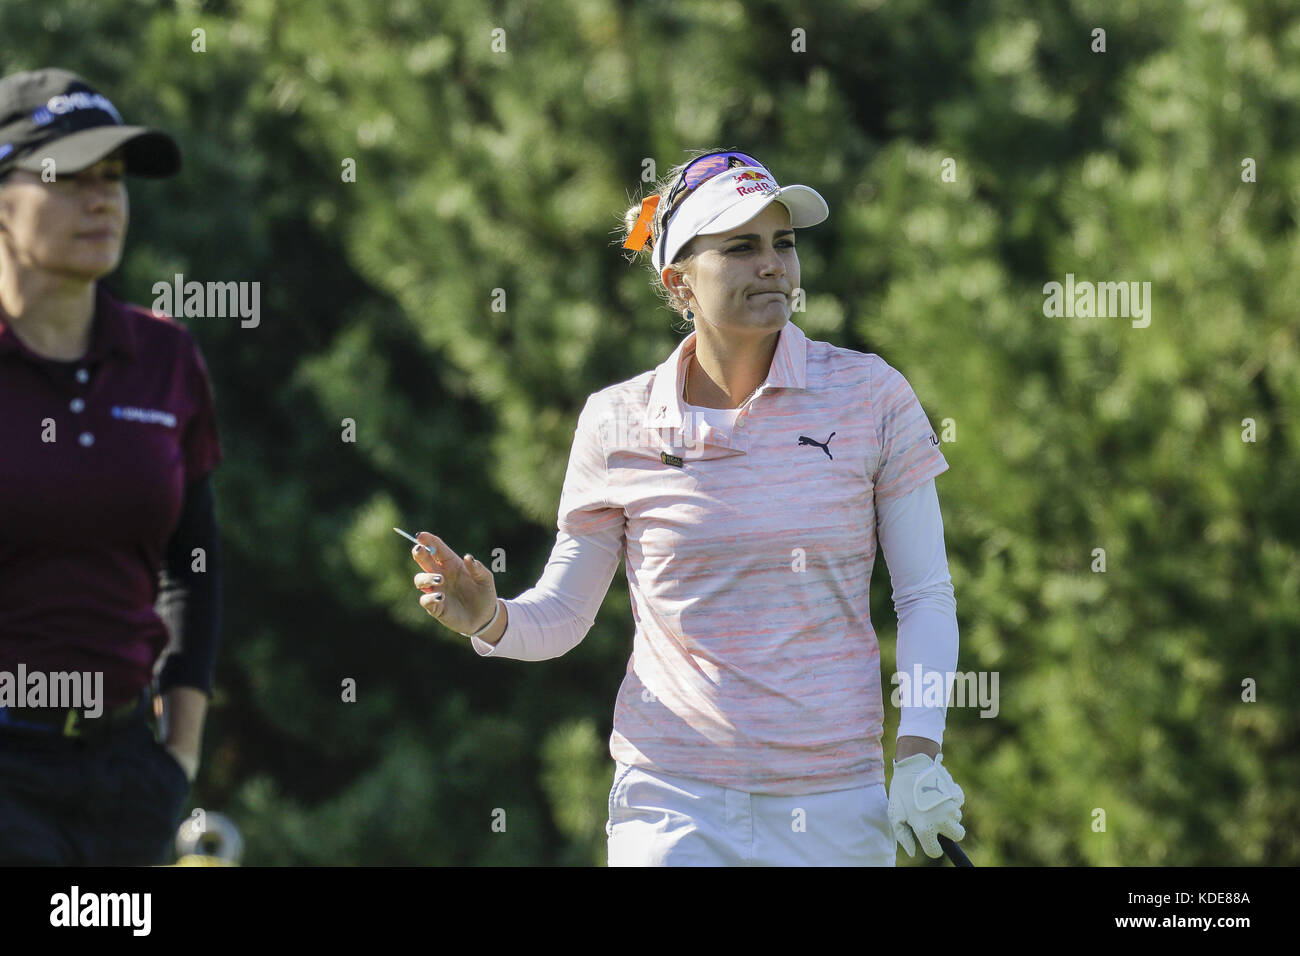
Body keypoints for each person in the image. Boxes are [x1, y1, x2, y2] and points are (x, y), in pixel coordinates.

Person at [410, 149, 966, 866]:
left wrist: (919, 752)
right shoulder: (617, 421)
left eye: (783, 244)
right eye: (741, 247)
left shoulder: (870, 396)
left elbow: (924, 594)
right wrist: (490, 618)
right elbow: (566, 614)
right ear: (679, 284)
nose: (773, 265)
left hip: (833, 803)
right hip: (672, 803)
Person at [0, 68, 222, 865]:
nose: (103, 200)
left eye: (116, 179)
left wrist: (180, 753)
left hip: (127, 778)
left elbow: (192, 566)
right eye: (69, 177)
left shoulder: (165, 358)